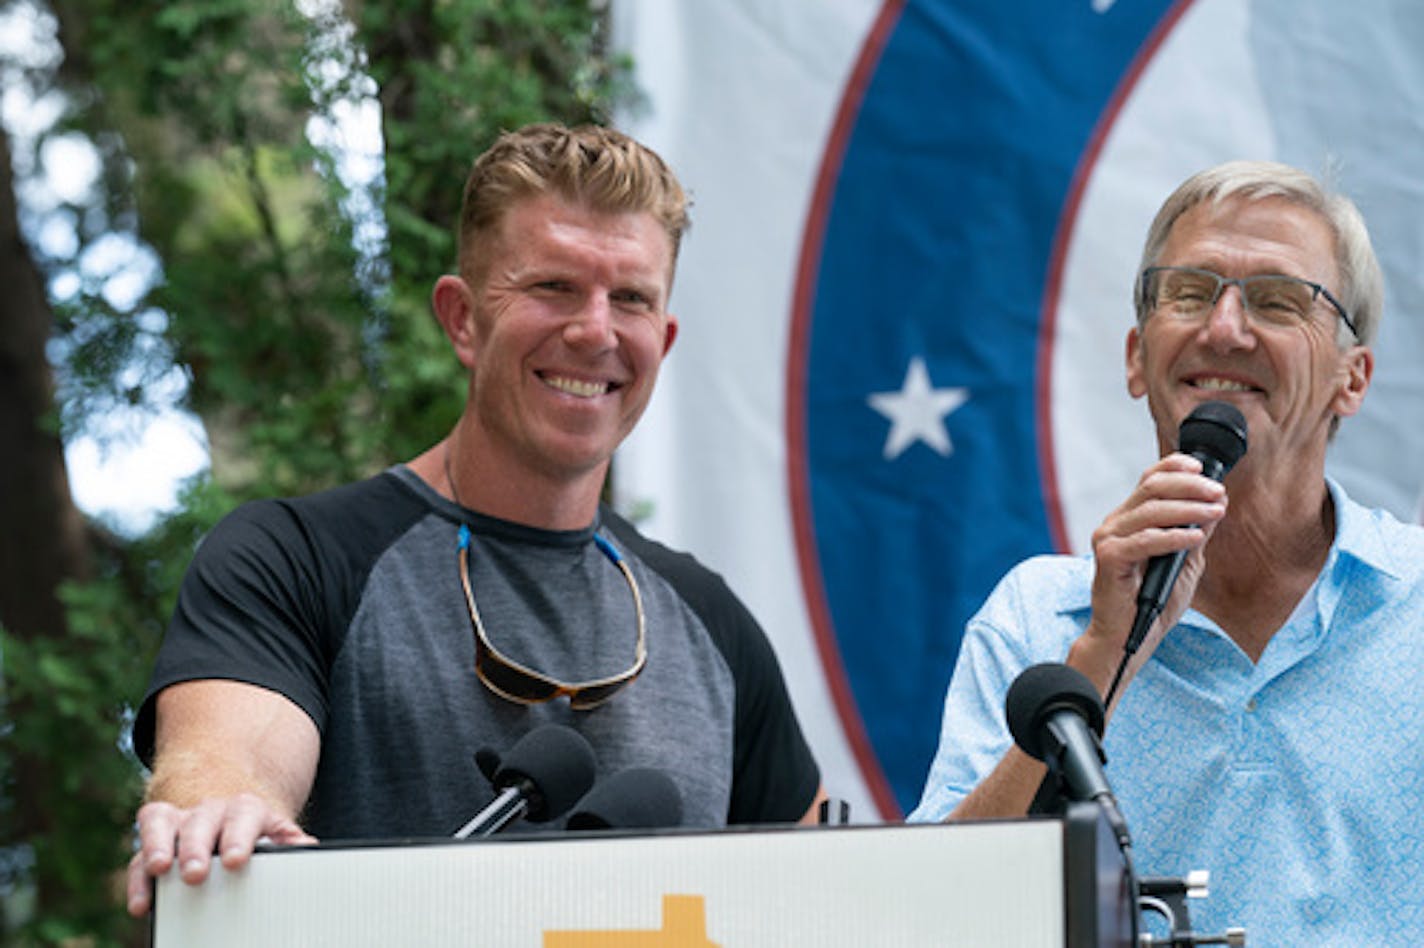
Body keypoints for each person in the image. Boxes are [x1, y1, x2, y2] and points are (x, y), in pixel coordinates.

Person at [126, 122, 824, 918]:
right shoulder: (292, 558)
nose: (595, 330)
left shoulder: (712, 621)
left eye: (630, 298)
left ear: (661, 342)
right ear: (462, 319)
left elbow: (819, 901)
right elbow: (226, 763)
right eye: (553, 287)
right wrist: (221, 805)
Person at [910, 160, 1424, 942]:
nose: (1223, 328)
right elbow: (929, 920)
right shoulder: (1038, 619)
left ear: (1352, 381)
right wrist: (1102, 655)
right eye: (1188, 293)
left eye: (1279, 301)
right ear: (1135, 356)